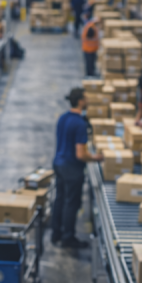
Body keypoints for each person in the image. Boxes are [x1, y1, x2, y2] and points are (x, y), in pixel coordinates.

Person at [52, 88, 102, 249]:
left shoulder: (62, 118)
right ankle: (68, 237)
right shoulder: (80, 124)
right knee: (71, 203)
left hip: (58, 164)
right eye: (86, 98)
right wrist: (96, 158)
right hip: (72, 168)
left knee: (59, 199)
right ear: (80, 101)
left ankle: (56, 234)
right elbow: (80, 154)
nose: (87, 101)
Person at [81, 11, 100, 77]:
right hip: (89, 49)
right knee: (89, 63)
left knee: (91, 63)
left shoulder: (91, 26)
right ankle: (89, 74)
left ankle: (91, 73)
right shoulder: (91, 28)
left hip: (90, 49)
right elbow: (90, 36)